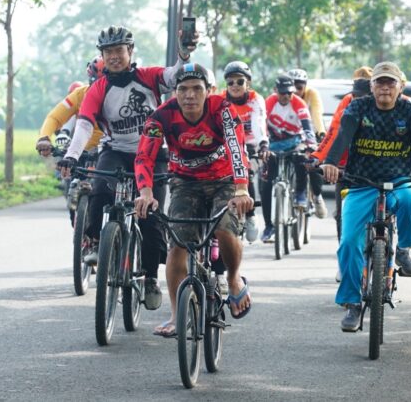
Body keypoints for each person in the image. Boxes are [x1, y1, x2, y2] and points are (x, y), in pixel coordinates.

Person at [58, 25, 197, 311]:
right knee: (98, 192)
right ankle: (97, 242)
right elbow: (84, 124)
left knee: (152, 216)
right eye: (108, 52)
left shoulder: (148, 77)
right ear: (103, 56)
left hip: (153, 153)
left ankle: (149, 277)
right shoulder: (99, 88)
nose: (114, 57)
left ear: (130, 52)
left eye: (119, 51)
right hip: (117, 153)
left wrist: (184, 53)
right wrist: (72, 156)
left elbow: (175, 75)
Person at [320, 62, 411, 332]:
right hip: (361, 183)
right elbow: (343, 136)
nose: (385, 88)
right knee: (349, 242)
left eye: (390, 83)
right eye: (379, 82)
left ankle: (403, 250)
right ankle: (353, 304)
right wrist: (331, 161)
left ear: (401, 86)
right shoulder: (358, 107)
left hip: (398, 180)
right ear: (372, 86)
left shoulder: (410, 110)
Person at [134, 63, 253, 337]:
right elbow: (144, 157)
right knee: (178, 245)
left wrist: (242, 188)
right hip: (185, 183)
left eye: (196, 89)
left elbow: (237, 148)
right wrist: (146, 193)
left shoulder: (222, 109)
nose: (189, 95)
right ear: (174, 92)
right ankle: (177, 314)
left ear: (209, 91)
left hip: (225, 181)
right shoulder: (161, 116)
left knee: (225, 229)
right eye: (183, 89)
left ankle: (233, 279)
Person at [312, 66, 372, 242]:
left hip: (376, 164)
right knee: (341, 212)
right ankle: (344, 245)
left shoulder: (387, 105)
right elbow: (334, 132)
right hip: (345, 161)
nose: (357, 100)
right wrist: (318, 157)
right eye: (355, 95)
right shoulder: (347, 102)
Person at [259, 74, 318, 242]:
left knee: (301, 158)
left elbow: (307, 127)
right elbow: (261, 124)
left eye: (289, 93)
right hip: (274, 144)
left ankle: (300, 193)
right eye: (282, 93)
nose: (286, 96)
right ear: (275, 91)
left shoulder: (298, 103)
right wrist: (261, 144)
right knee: (266, 184)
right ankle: (269, 226)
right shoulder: (269, 102)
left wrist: (311, 144)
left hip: (294, 142)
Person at [219, 61, 267, 243]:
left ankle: (251, 215)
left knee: (246, 171)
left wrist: (263, 143)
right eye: (230, 82)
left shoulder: (255, 99)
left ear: (248, 83)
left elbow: (258, 122)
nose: (235, 86)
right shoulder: (221, 100)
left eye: (240, 82)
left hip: (250, 142)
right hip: (228, 143)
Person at [35, 58, 106, 158]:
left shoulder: (123, 94)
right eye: (99, 84)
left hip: (113, 151)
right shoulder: (79, 95)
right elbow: (55, 117)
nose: (102, 88)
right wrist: (44, 138)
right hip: (82, 153)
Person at [288, 68, 328, 219]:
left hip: (310, 131)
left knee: (313, 161)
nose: (296, 91)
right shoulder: (284, 96)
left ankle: (317, 195)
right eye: (293, 87)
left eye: (299, 87)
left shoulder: (312, 94)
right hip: (290, 136)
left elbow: (316, 114)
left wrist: (320, 133)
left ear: (305, 86)